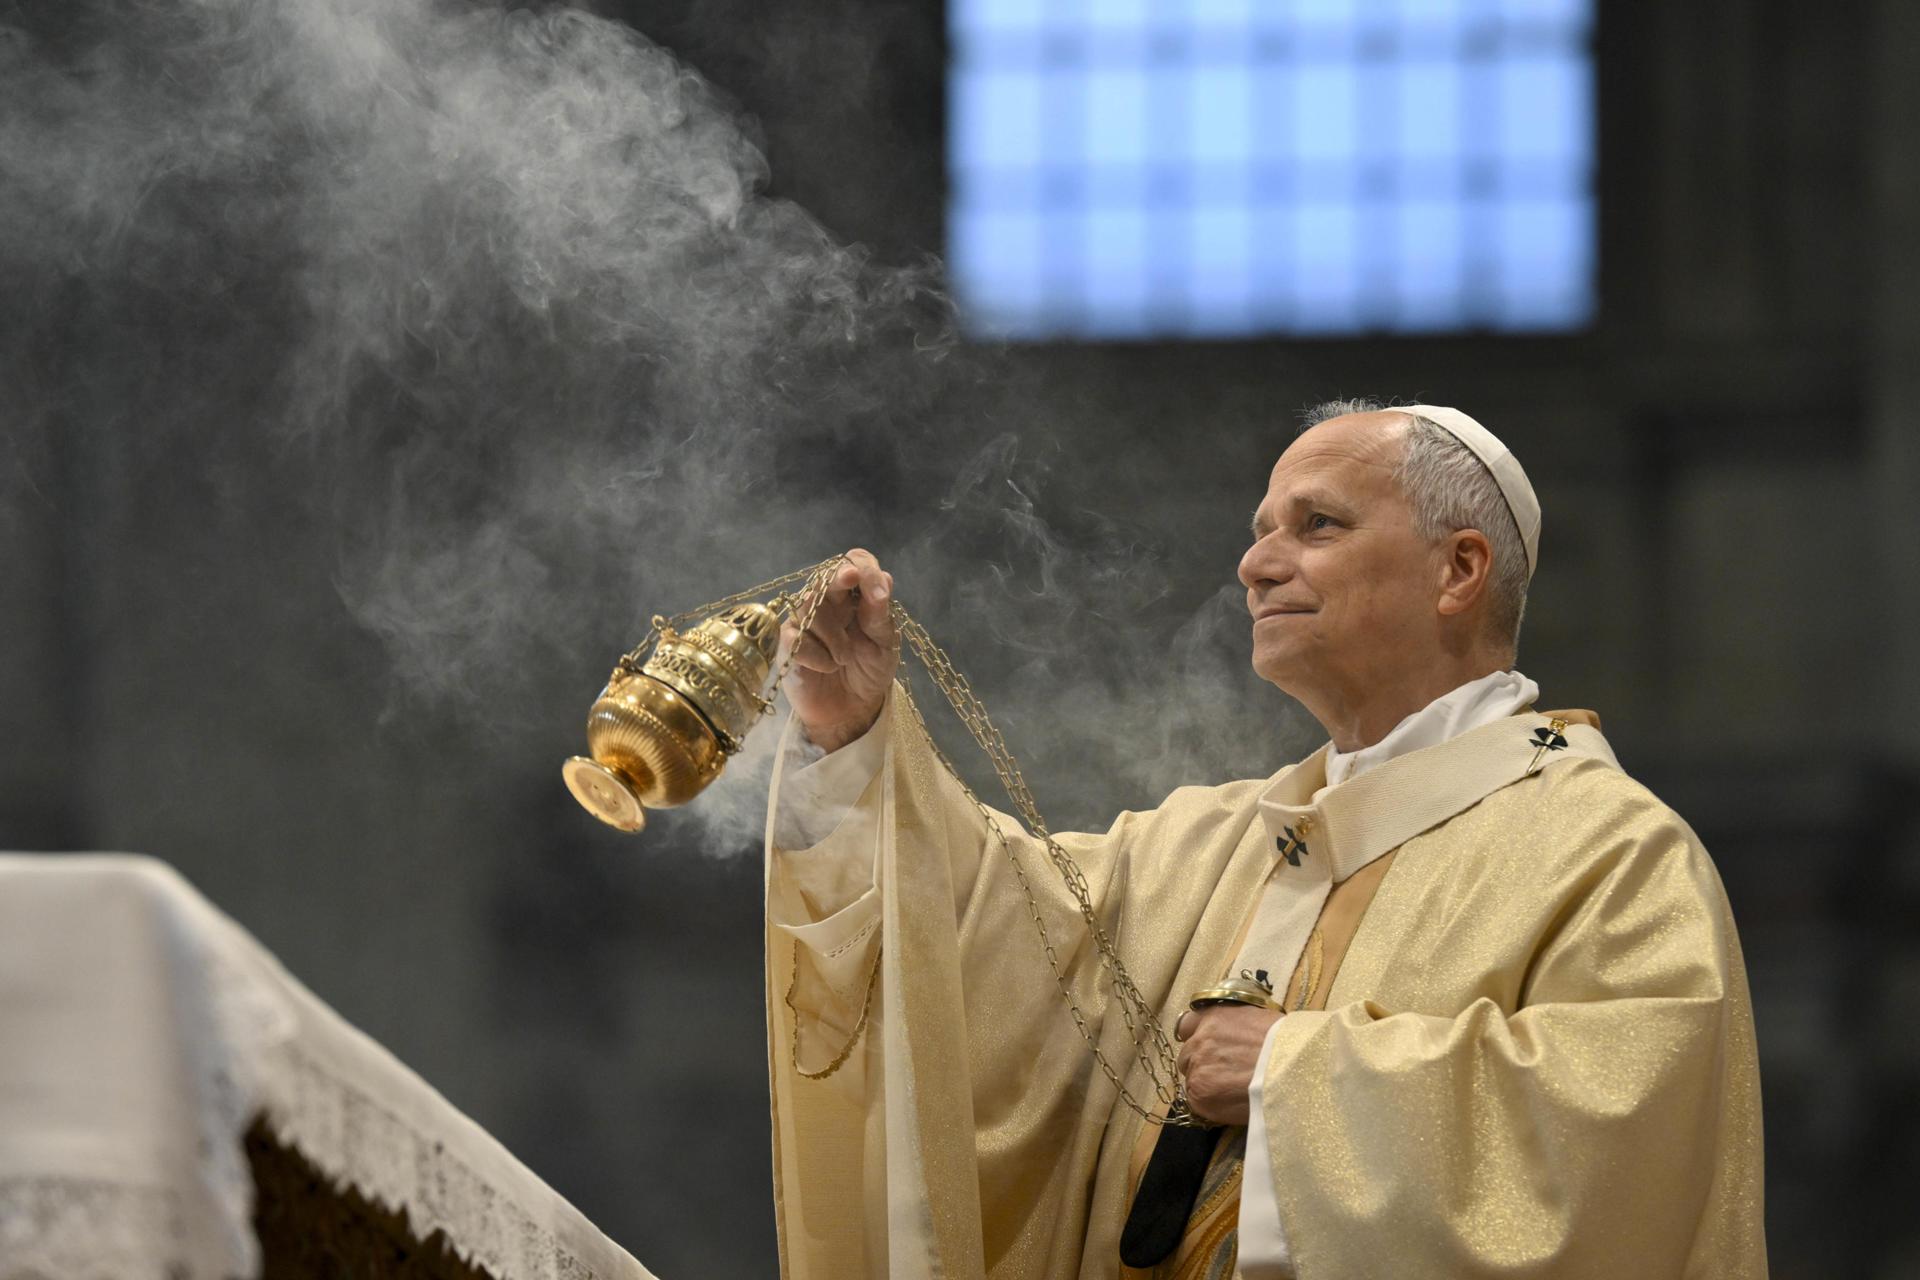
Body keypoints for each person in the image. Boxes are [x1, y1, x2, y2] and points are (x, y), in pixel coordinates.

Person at [761, 401, 1767, 1279]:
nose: (1254, 563)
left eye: (1317, 524)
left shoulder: (1609, 851)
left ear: (1459, 569)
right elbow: (983, 931)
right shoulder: (1209, 844)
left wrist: (1291, 1072)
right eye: (1259, 531)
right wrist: (853, 743)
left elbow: (1628, 1148)